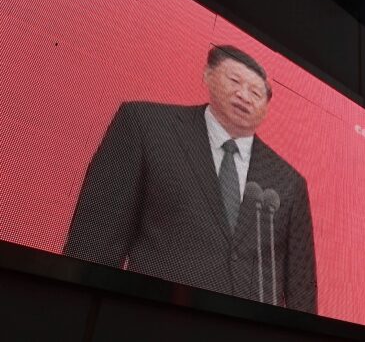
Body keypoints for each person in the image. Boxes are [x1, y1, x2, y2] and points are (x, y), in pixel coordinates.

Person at [64, 45, 317, 313]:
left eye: (256, 92)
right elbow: (94, 241)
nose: (244, 95)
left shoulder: (289, 182)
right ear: (207, 75)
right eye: (234, 81)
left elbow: (301, 290)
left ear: (266, 107)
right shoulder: (146, 125)